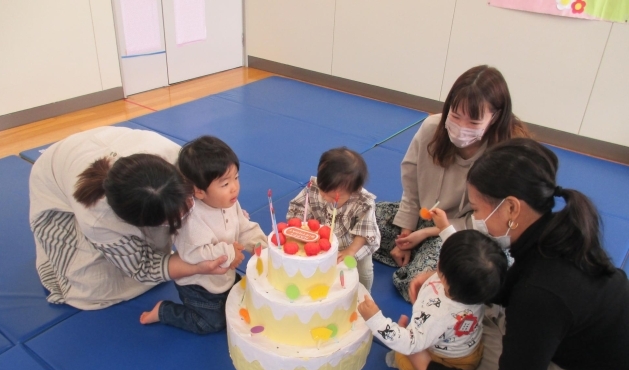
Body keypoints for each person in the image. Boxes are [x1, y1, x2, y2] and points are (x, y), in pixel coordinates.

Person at [407, 138, 629, 370]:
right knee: (468, 319)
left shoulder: (544, 289)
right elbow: (512, 289)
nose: (475, 218)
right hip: (562, 350)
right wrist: (447, 278)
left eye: (478, 210)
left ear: (511, 208)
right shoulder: (552, 232)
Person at [373, 65, 529, 302]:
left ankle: (428, 262)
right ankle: (414, 253)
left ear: (495, 116)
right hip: (423, 218)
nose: (461, 127)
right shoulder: (432, 128)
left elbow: (489, 222)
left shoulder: (504, 154)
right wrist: (406, 234)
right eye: (455, 116)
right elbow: (411, 180)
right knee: (358, 219)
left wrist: (429, 232)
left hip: (464, 232)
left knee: (422, 283)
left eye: (474, 122)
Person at [29, 126, 228, 310]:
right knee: (93, 288)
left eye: (187, 197)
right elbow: (142, 266)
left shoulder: (176, 158)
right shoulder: (98, 216)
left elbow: (217, 191)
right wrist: (196, 266)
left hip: (98, 144)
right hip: (54, 181)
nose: (191, 207)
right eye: (171, 219)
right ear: (140, 222)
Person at [140, 136, 266, 333]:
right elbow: (195, 254)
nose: (234, 187)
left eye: (236, 178)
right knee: (212, 323)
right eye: (224, 184)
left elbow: (243, 227)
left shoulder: (228, 202)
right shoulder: (192, 220)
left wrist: (262, 246)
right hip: (199, 287)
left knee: (244, 300)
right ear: (199, 192)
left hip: (222, 276)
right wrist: (229, 252)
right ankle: (164, 311)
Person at [359, 225, 507, 370]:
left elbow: (409, 344)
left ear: (445, 276)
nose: (436, 263)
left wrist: (375, 319)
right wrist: (430, 274)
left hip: (447, 361)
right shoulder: (472, 286)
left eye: (440, 261)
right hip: (458, 343)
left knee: (405, 362)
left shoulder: (440, 314)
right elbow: (459, 261)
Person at [287, 147, 380, 291]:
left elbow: (364, 233)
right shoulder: (315, 188)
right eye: (324, 190)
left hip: (353, 243)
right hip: (324, 240)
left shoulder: (363, 203)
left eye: (333, 197)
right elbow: (300, 208)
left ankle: (364, 295)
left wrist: (350, 251)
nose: (325, 197)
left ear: (354, 190)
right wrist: (298, 226)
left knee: (364, 270)